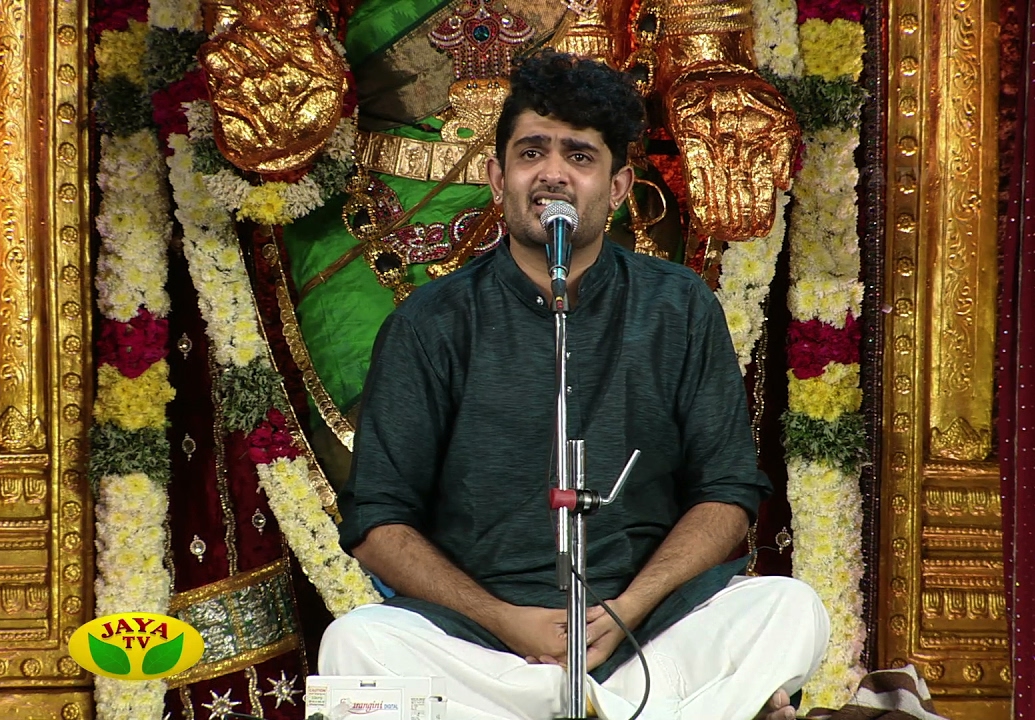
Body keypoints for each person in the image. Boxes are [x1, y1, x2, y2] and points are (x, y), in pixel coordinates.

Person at [318, 51, 828, 720]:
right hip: (487, 645)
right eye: (531, 152)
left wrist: (626, 610)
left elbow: (726, 493)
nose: (553, 173)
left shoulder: (677, 306)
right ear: (497, 177)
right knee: (357, 643)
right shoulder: (431, 322)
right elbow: (377, 519)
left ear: (617, 188)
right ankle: (617, 709)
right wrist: (503, 620)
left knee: (790, 608)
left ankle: (594, 702)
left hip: (645, 633)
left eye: (579, 156)